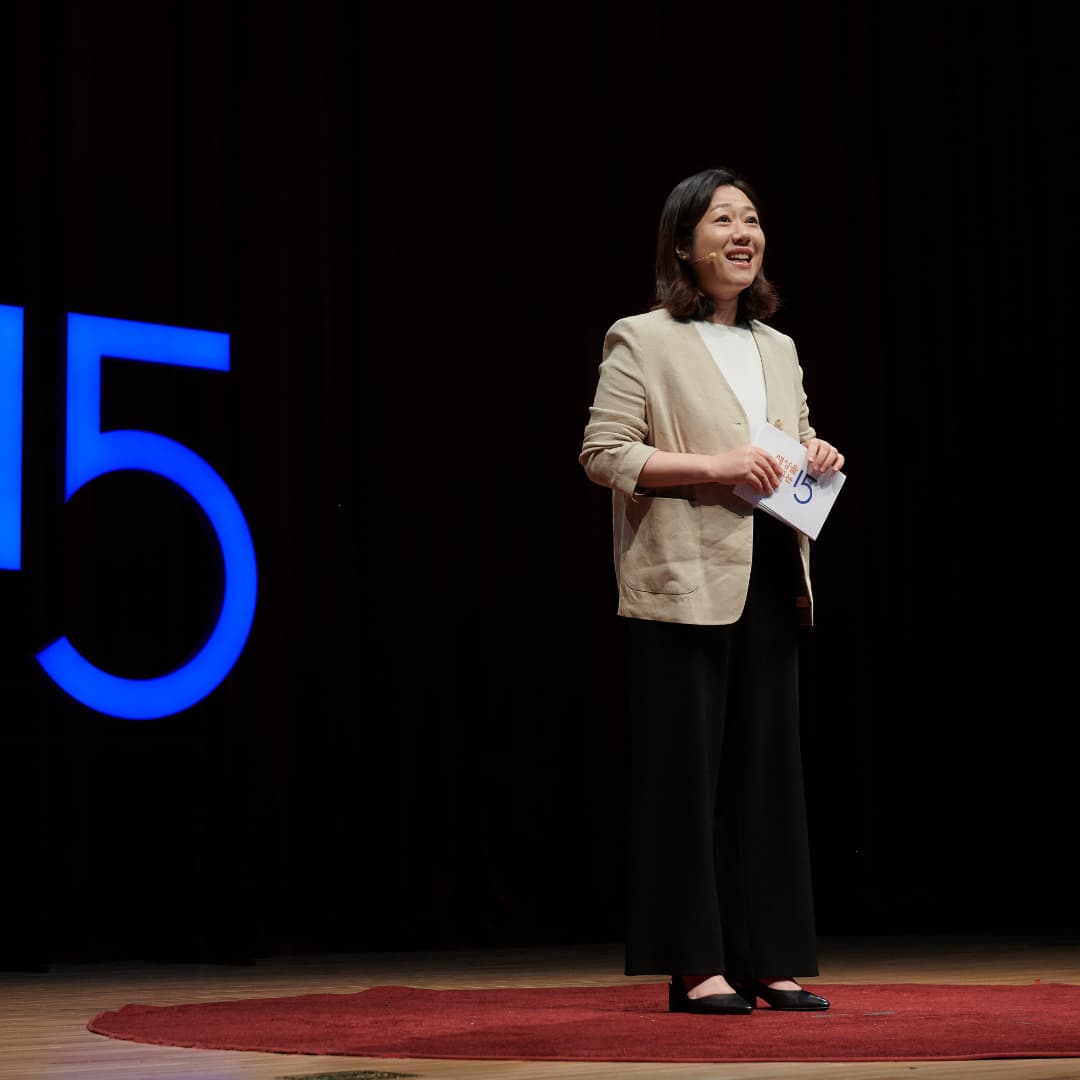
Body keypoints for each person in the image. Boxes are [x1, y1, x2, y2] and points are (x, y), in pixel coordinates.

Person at [579, 166, 844, 1015]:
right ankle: (696, 964)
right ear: (684, 244)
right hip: (683, 578)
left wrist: (816, 451)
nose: (742, 233)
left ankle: (769, 957)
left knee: (766, 775)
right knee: (687, 779)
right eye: (722, 220)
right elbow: (604, 455)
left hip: (771, 570)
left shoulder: (778, 346)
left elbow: (792, 439)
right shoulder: (641, 337)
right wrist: (715, 465)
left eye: (752, 219)